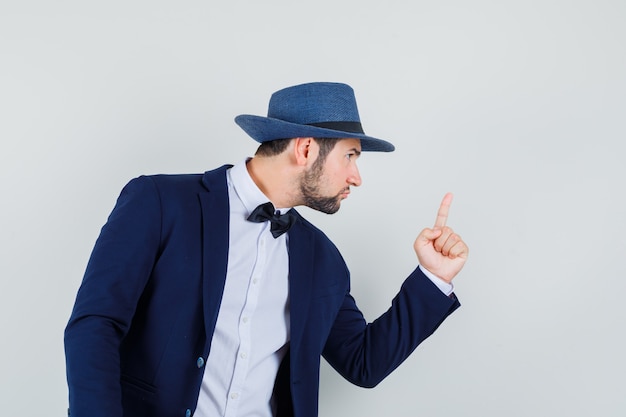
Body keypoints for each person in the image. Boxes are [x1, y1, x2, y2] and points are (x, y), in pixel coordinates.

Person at [64, 82, 469, 417]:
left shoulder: (322, 259)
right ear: (306, 149)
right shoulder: (159, 202)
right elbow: (96, 324)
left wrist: (434, 278)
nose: (356, 177)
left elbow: (363, 362)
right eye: (350, 156)